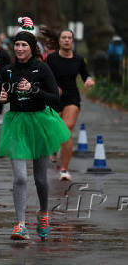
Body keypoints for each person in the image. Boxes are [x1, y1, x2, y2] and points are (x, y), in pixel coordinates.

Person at [0, 17, 70, 241]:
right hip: (17, 123)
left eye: (24, 45)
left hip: (39, 123)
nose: (19, 49)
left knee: (40, 178)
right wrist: (2, 97)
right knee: (20, 177)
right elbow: (5, 94)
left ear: (32, 48)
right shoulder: (7, 70)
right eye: (17, 45)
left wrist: (33, 90)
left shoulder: (42, 69)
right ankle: (20, 223)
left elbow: (56, 101)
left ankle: (43, 213)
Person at [46, 30, 95, 181]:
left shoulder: (78, 59)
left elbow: (85, 74)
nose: (66, 40)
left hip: (72, 97)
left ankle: (64, 169)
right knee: (55, 131)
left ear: (72, 41)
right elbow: (44, 76)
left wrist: (88, 80)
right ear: (59, 41)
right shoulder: (51, 58)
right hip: (54, 97)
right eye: (64, 38)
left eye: (69, 38)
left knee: (67, 130)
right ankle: (54, 148)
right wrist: (53, 86)